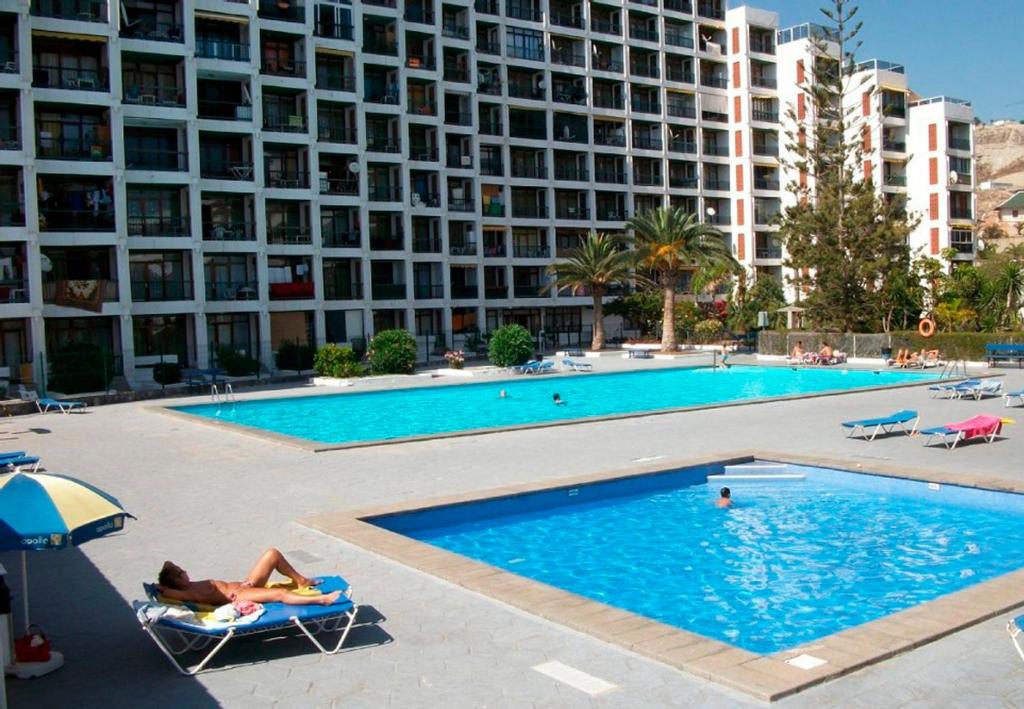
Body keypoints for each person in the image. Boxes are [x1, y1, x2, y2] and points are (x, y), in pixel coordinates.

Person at [156, 548, 342, 607]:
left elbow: (167, 562)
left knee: (272, 554)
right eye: (181, 573)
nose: (184, 572)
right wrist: (164, 588)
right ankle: (322, 599)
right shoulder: (187, 593)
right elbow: (168, 591)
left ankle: (301, 580)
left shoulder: (188, 585)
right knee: (280, 593)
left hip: (246, 586)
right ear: (176, 583)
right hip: (240, 596)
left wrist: (168, 575)